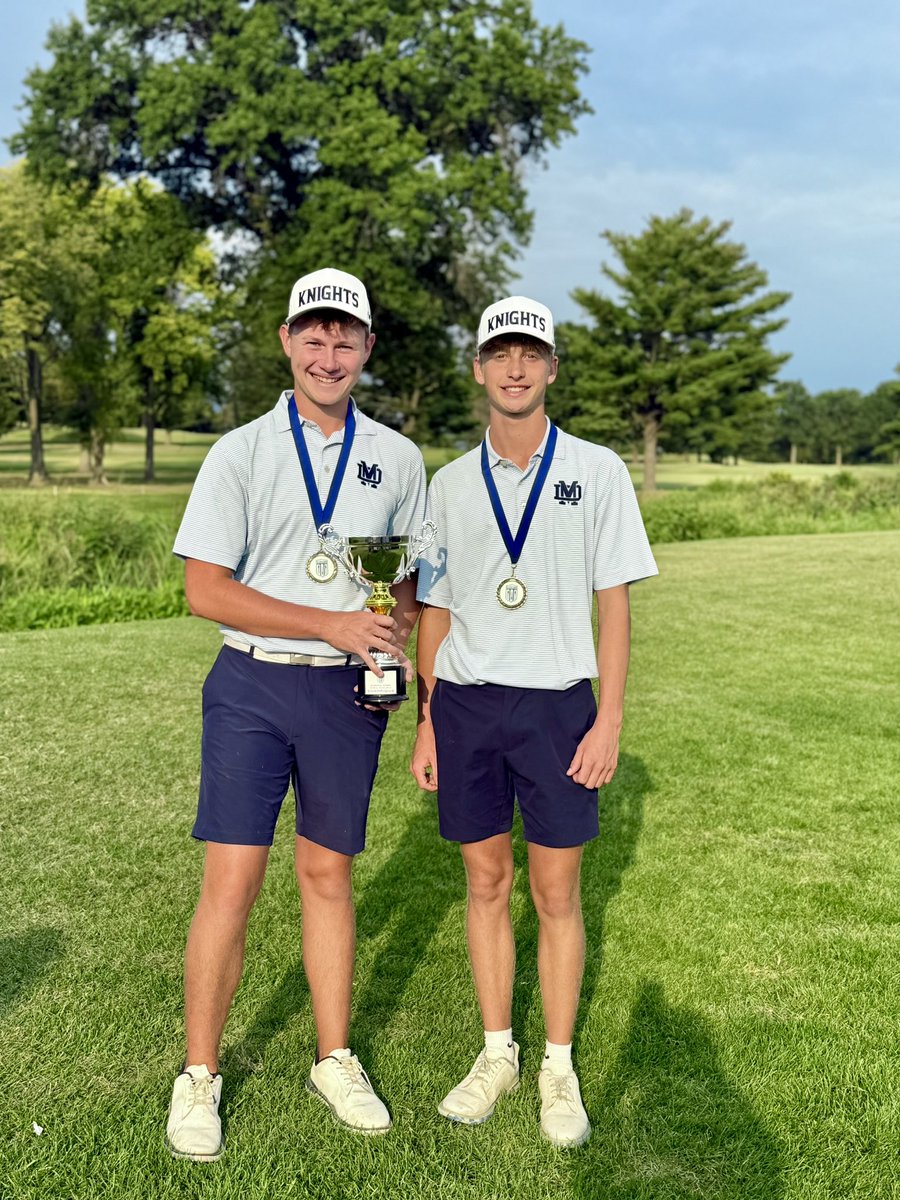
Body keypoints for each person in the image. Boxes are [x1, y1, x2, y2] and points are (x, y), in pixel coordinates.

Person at [165, 268, 426, 1161]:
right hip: (251, 685)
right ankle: (199, 1075)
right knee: (231, 883)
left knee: (328, 876)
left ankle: (334, 1057)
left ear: (366, 349)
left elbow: (409, 586)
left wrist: (395, 634)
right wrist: (329, 621)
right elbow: (205, 590)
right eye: (313, 337)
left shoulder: (398, 456)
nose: (328, 352)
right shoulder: (239, 451)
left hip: (347, 693)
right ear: (286, 341)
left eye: (344, 338)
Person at [410, 295, 657, 1147]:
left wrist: (610, 719)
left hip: (559, 708)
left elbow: (614, 608)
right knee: (484, 883)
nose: (515, 367)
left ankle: (557, 1065)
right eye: (499, 352)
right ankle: (496, 1052)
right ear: (478, 367)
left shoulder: (598, 469)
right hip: (470, 704)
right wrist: (430, 720)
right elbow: (433, 613)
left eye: (531, 352)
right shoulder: (448, 484)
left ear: (552, 367)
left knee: (556, 892)